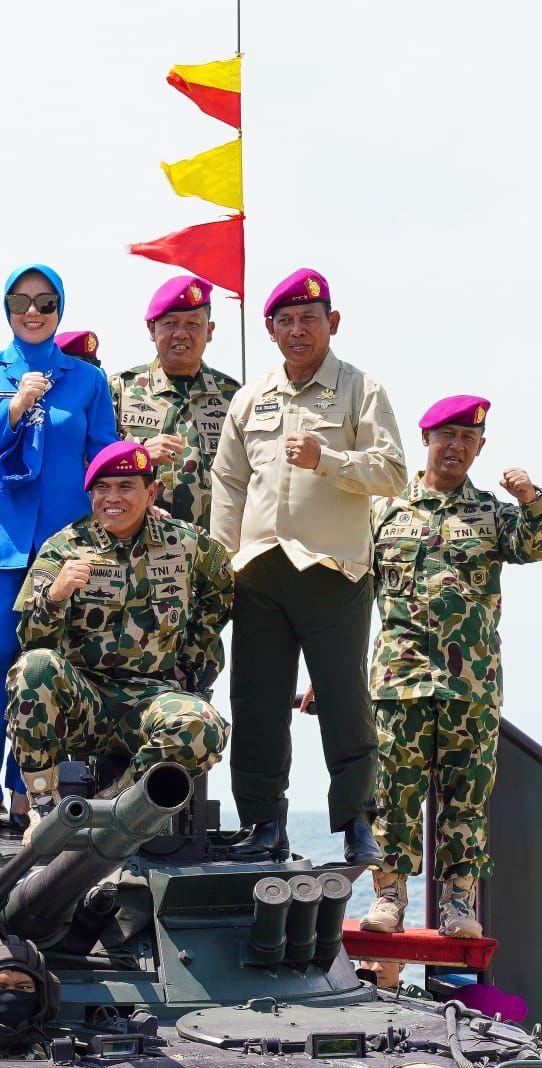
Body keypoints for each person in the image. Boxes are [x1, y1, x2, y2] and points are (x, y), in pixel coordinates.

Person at [210, 268, 407, 864]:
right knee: (257, 703)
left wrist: (329, 459)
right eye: (286, 321)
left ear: (332, 323)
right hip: (261, 570)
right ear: (270, 330)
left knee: (345, 703)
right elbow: (228, 484)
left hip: (334, 570)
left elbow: (394, 472)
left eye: (309, 319)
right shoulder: (251, 398)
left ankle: (355, 823)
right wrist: (224, 565)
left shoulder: (360, 390)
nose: (298, 331)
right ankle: (264, 824)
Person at [360, 396, 542, 939]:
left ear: (481, 447)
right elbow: (352, 599)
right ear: (426, 441)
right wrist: (330, 677)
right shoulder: (384, 510)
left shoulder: (492, 513)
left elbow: (539, 545)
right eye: (447, 436)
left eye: (469, 439)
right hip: (399, 681)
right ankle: (389, 897)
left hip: (471, 686)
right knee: (392, 794)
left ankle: (457, 904)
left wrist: (531, 498)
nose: (457, 447)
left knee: (465, 798)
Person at [0, 263, 117, 836]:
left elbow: (103, 458)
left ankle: (30, 790)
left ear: (59, 309)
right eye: (21, 301)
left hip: (60, 546)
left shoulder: (88, 380)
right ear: (5, 309)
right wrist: (16, 404)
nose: (33, 311)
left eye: (45, 302)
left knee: (42, 667)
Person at [7, 441, 232, 831]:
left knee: (203, 725)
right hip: (84, 703)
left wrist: (192, 670)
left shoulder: (188, 544)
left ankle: (117, 805)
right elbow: (30, 638)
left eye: (126, 487)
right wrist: (56, 595)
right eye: (102, 488)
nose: (112, 498)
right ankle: (43, 807)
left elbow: (220, 596)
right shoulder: (64, 547)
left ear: (152, 492)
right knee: (33, 668)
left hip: (151, 699)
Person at [109, 276, 241, 529]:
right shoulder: (119, 389)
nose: (181, 333)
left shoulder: (234, 396)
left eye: (193, 324)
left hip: (209, 548)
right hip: (137, 543)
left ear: (209, 331)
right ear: (151, 329)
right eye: (170, 324)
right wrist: (140, 456)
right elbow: (91, 464)